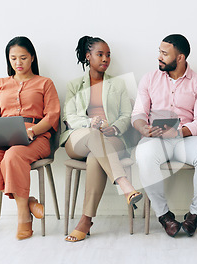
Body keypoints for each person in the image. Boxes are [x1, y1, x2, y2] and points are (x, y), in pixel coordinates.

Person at [0, 36, 60, 240]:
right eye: (13, 58)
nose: (18, 63)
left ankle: (24, 217)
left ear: (32, 58)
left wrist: (32, 131)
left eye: (23, 57)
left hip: (36, 136)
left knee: (13, 156)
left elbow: (52, 116)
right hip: (3, 135)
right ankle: (27, 202)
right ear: (8, 60)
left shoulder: (45, 83)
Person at [132, 34, 197, 237]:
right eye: (159, 52)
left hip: (187, 138)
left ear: (180, 58)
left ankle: (195, 215)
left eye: (164, 53)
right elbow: (138, 113)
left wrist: (178, 132)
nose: (159, 57)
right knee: (143, 156)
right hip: (156, 138)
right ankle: (164, 215)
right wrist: (143, 128)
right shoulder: (149, 79)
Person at [61, 36, 142, 242]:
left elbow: (127, 115)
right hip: (79, 137)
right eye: (100, 54)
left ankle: (85, 220)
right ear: (88, 57)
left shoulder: (118, 84)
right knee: (93, 137)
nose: (105, 58)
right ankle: (124, 185)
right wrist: (89, 124)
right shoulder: (74, 85)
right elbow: (69, 117)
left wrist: (114, 128)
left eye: (108, 55)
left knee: (95, 157)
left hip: (110, 138)